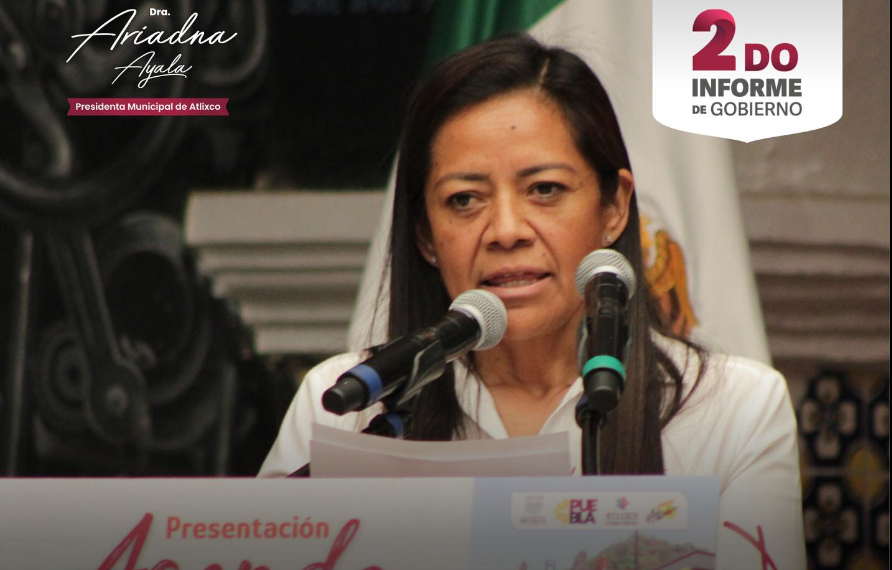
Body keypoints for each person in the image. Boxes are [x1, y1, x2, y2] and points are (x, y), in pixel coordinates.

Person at [259, 34, 805, 569]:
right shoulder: (346, 406)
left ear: (614, 207)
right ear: (425, 235)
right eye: (464, 199)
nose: (506, 230)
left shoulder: (735, 411)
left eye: (544, 189)